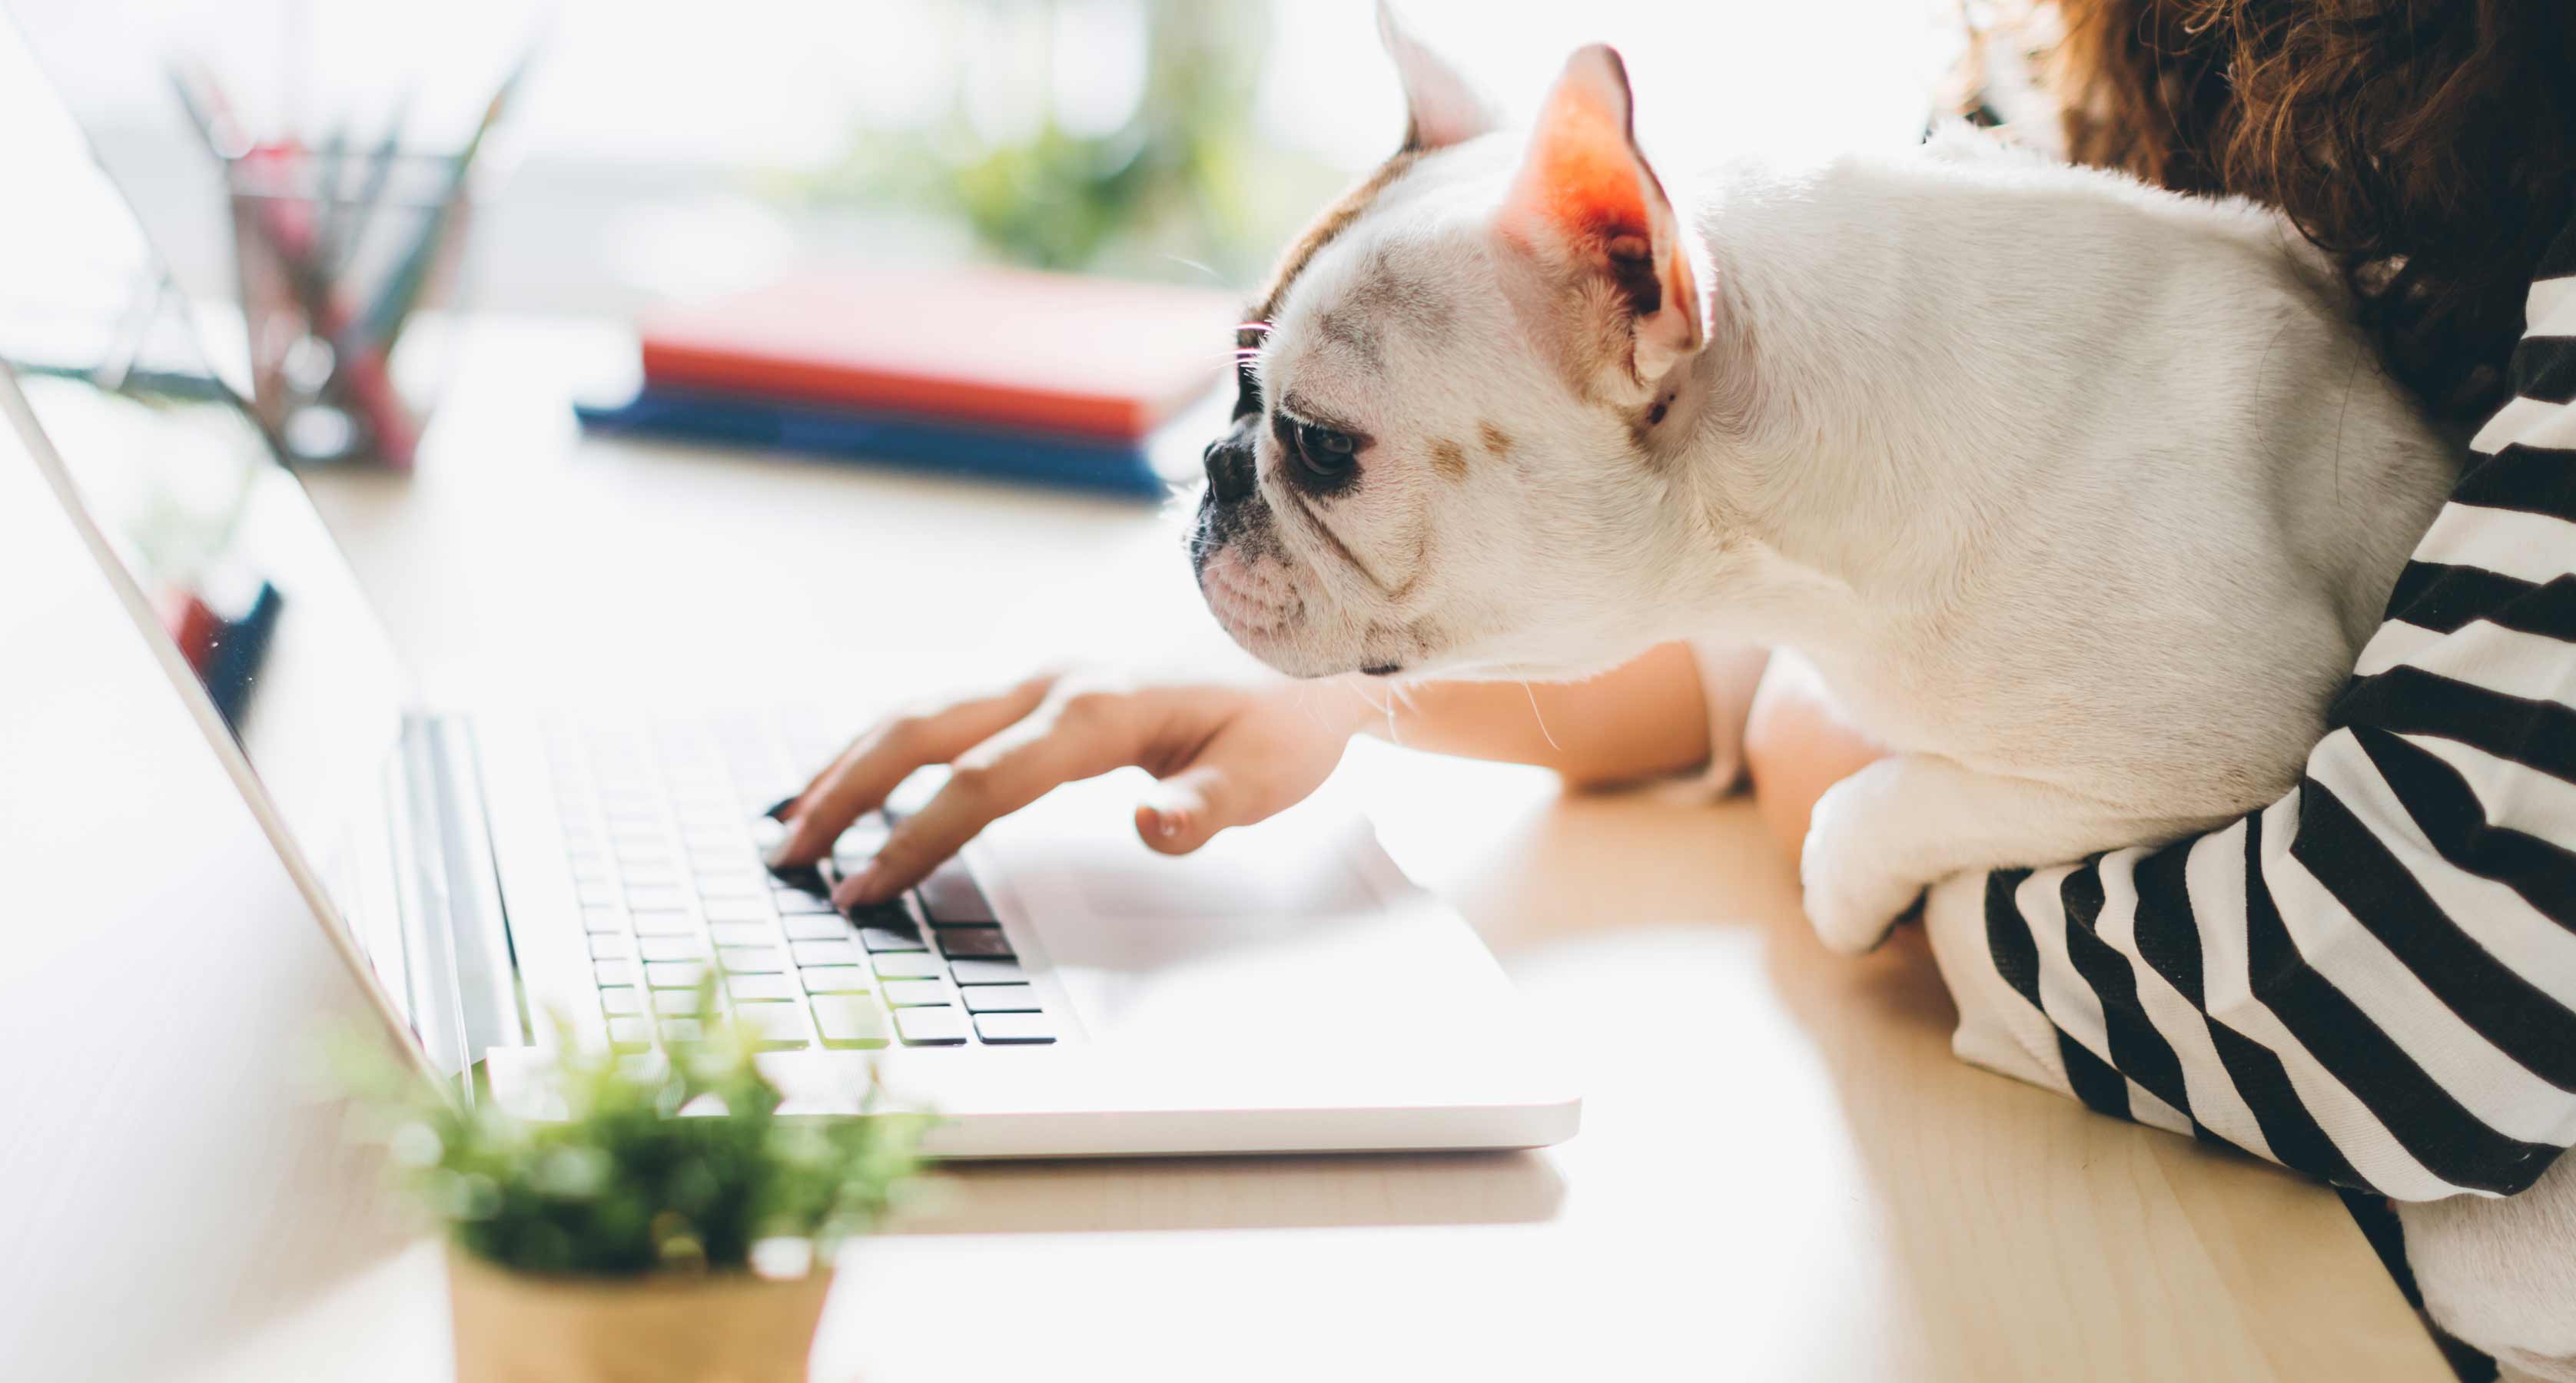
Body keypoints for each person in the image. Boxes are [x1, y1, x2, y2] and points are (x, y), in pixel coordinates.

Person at [778, 0, 2574, 1368]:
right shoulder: (2059, 89)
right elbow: (1757, 539)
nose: (1258, 477)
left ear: (1637, 275)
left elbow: (2394, 1008)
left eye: (1320, 451)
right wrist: (1341, 674)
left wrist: (1862, 814)